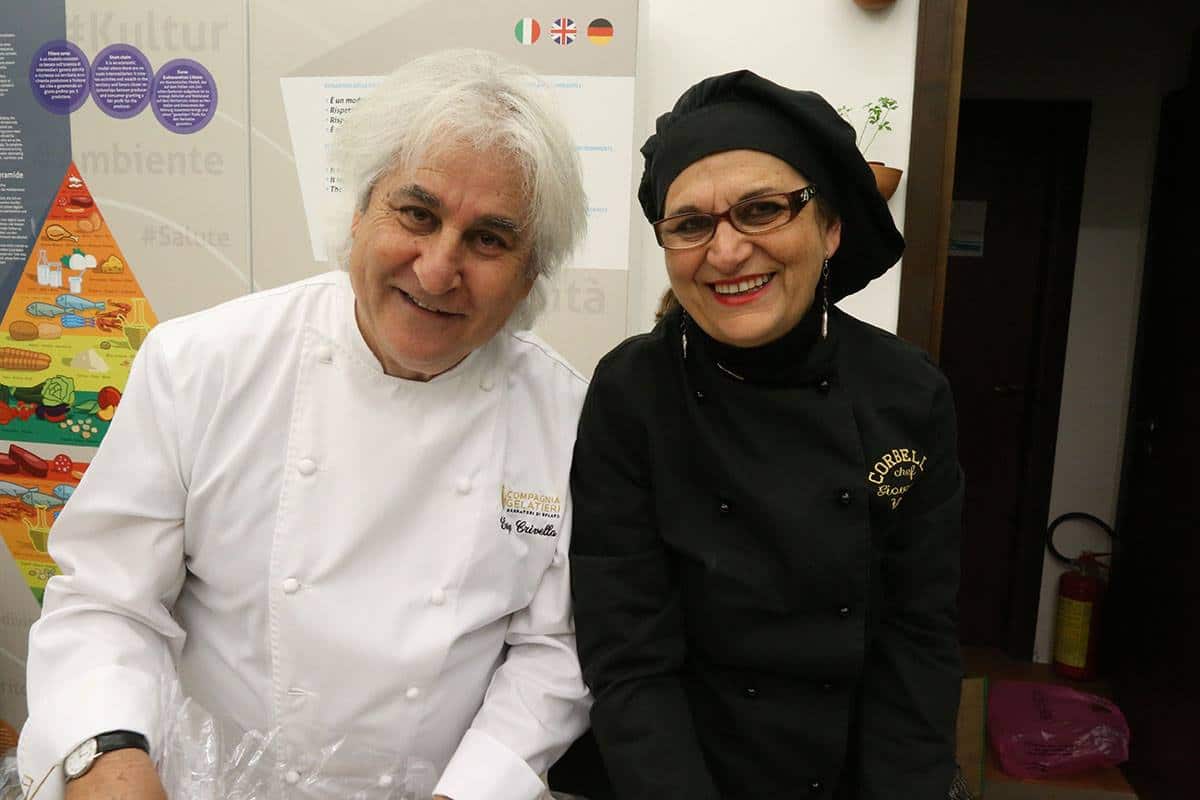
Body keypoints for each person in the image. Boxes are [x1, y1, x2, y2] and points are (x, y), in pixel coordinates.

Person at [19, 49, 591, 800]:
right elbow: (106, 598)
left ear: (528, 277)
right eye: (417, 214)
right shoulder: (202, 364)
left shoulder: (567, 418)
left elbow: (554, 650)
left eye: (489, 239)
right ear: (358, 215)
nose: (436, 268)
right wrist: (109, 758)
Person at [567, 70, 964, 799]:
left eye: (762, 210)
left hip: (851, 768)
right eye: (691, 225)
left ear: (830, 228)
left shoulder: (908, 394)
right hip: (673, 770)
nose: (725, 252)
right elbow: (627, 655)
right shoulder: (630, 393)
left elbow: (918, 638)